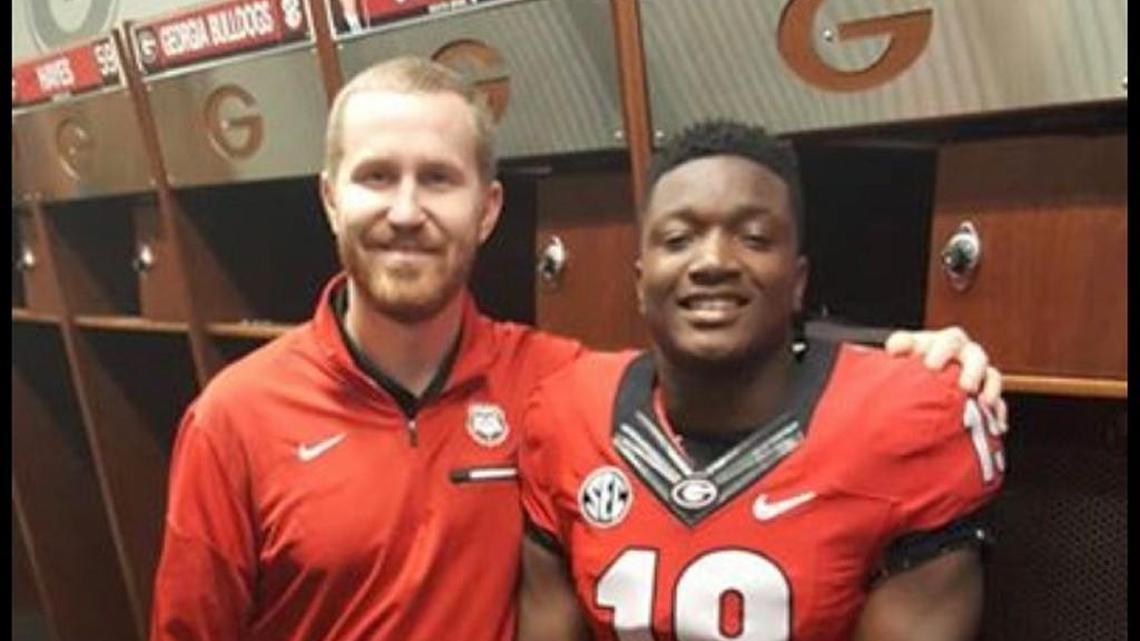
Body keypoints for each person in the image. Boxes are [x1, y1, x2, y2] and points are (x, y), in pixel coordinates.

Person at [149, 58, 1005, 641]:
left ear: (487, 208)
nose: (406, 211)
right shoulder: (234, 419)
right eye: (377, 176)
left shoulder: (552, 382)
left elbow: (710, 336)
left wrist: (907, 350)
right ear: (331, 198)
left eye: (438, 178)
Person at [517, 120, 1006, 641]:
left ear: (797, 281)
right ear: (641, 282)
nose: (713, 262)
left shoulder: (909, 420)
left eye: (753, 238)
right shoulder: (569, 414)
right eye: (679, 239)